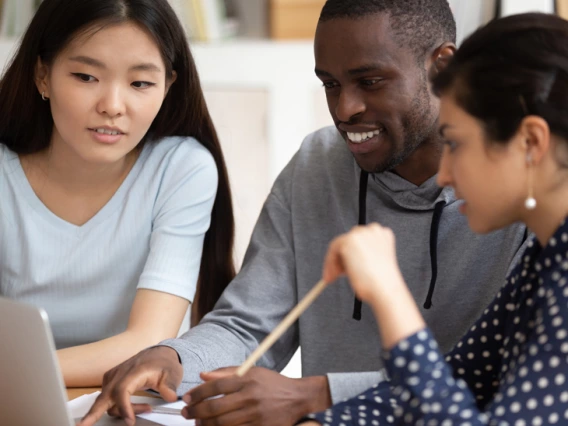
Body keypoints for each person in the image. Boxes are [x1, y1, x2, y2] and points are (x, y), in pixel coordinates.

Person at [79, 1, 527, 425]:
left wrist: (315, 393)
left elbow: (487, 379)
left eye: (369, 82)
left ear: (441, 67)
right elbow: (247, 324)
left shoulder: (514, 195)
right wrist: (175, 357)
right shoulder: (317, 162)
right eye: (330, 84)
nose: (344, 109)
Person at [300, 11, 568, 425]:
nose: (444, 175)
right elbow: (457, 380)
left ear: (531, 142)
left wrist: (389, 293)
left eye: (457, 144)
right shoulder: (546, 258)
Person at [0, 0, 235, 387]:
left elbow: (148, 342)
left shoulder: (180, 169)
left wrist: (17, 373)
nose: (112, 106)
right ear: (42, 76)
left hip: (127, 401)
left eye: (140, 83)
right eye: (86, 76)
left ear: (167, 87)